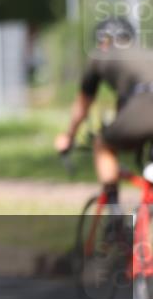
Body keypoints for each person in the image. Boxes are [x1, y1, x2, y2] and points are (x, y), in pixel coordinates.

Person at [54, 17, 153, 208]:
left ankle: (113, 211)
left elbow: (82, 105)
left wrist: (68, 136)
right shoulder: (146, 52)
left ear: (102, 40)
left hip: (145, 103)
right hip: (141, 103)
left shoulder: (100, 55)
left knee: (103, 144)